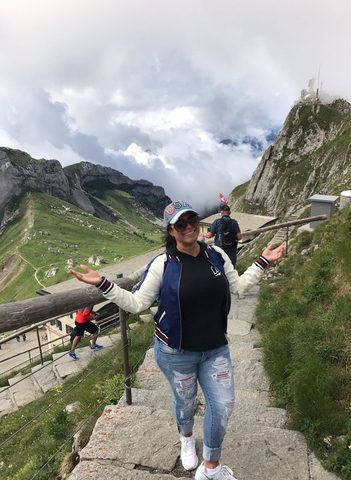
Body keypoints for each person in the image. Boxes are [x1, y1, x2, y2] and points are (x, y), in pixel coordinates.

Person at [68, 200, 285, 480]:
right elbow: (136, 304)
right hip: (175, 352)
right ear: (171, 231)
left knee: (224, 406)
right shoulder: (162, 264)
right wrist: (103, 284)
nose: (188, 227)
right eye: (180, 224)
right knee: (185, 402)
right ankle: (185, 437)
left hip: (215, 348)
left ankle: (210, 468)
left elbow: (239, 286)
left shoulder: (216, 254)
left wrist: (263, 261)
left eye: (192, 219)